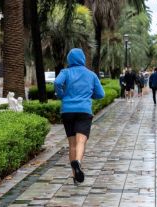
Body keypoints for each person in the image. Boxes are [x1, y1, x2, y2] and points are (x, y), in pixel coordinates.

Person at [54, 48, 105, 184]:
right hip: (84, 111)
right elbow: (101, 94)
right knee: (81, 141)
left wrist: (61, 94)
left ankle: (74, 176)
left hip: (67, 111)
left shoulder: (65, 72)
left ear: (69, 59)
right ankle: (78, 162)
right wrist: (89, 94)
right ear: (83, 59)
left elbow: (57, 83)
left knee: (72, 144)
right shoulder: (91, 75)